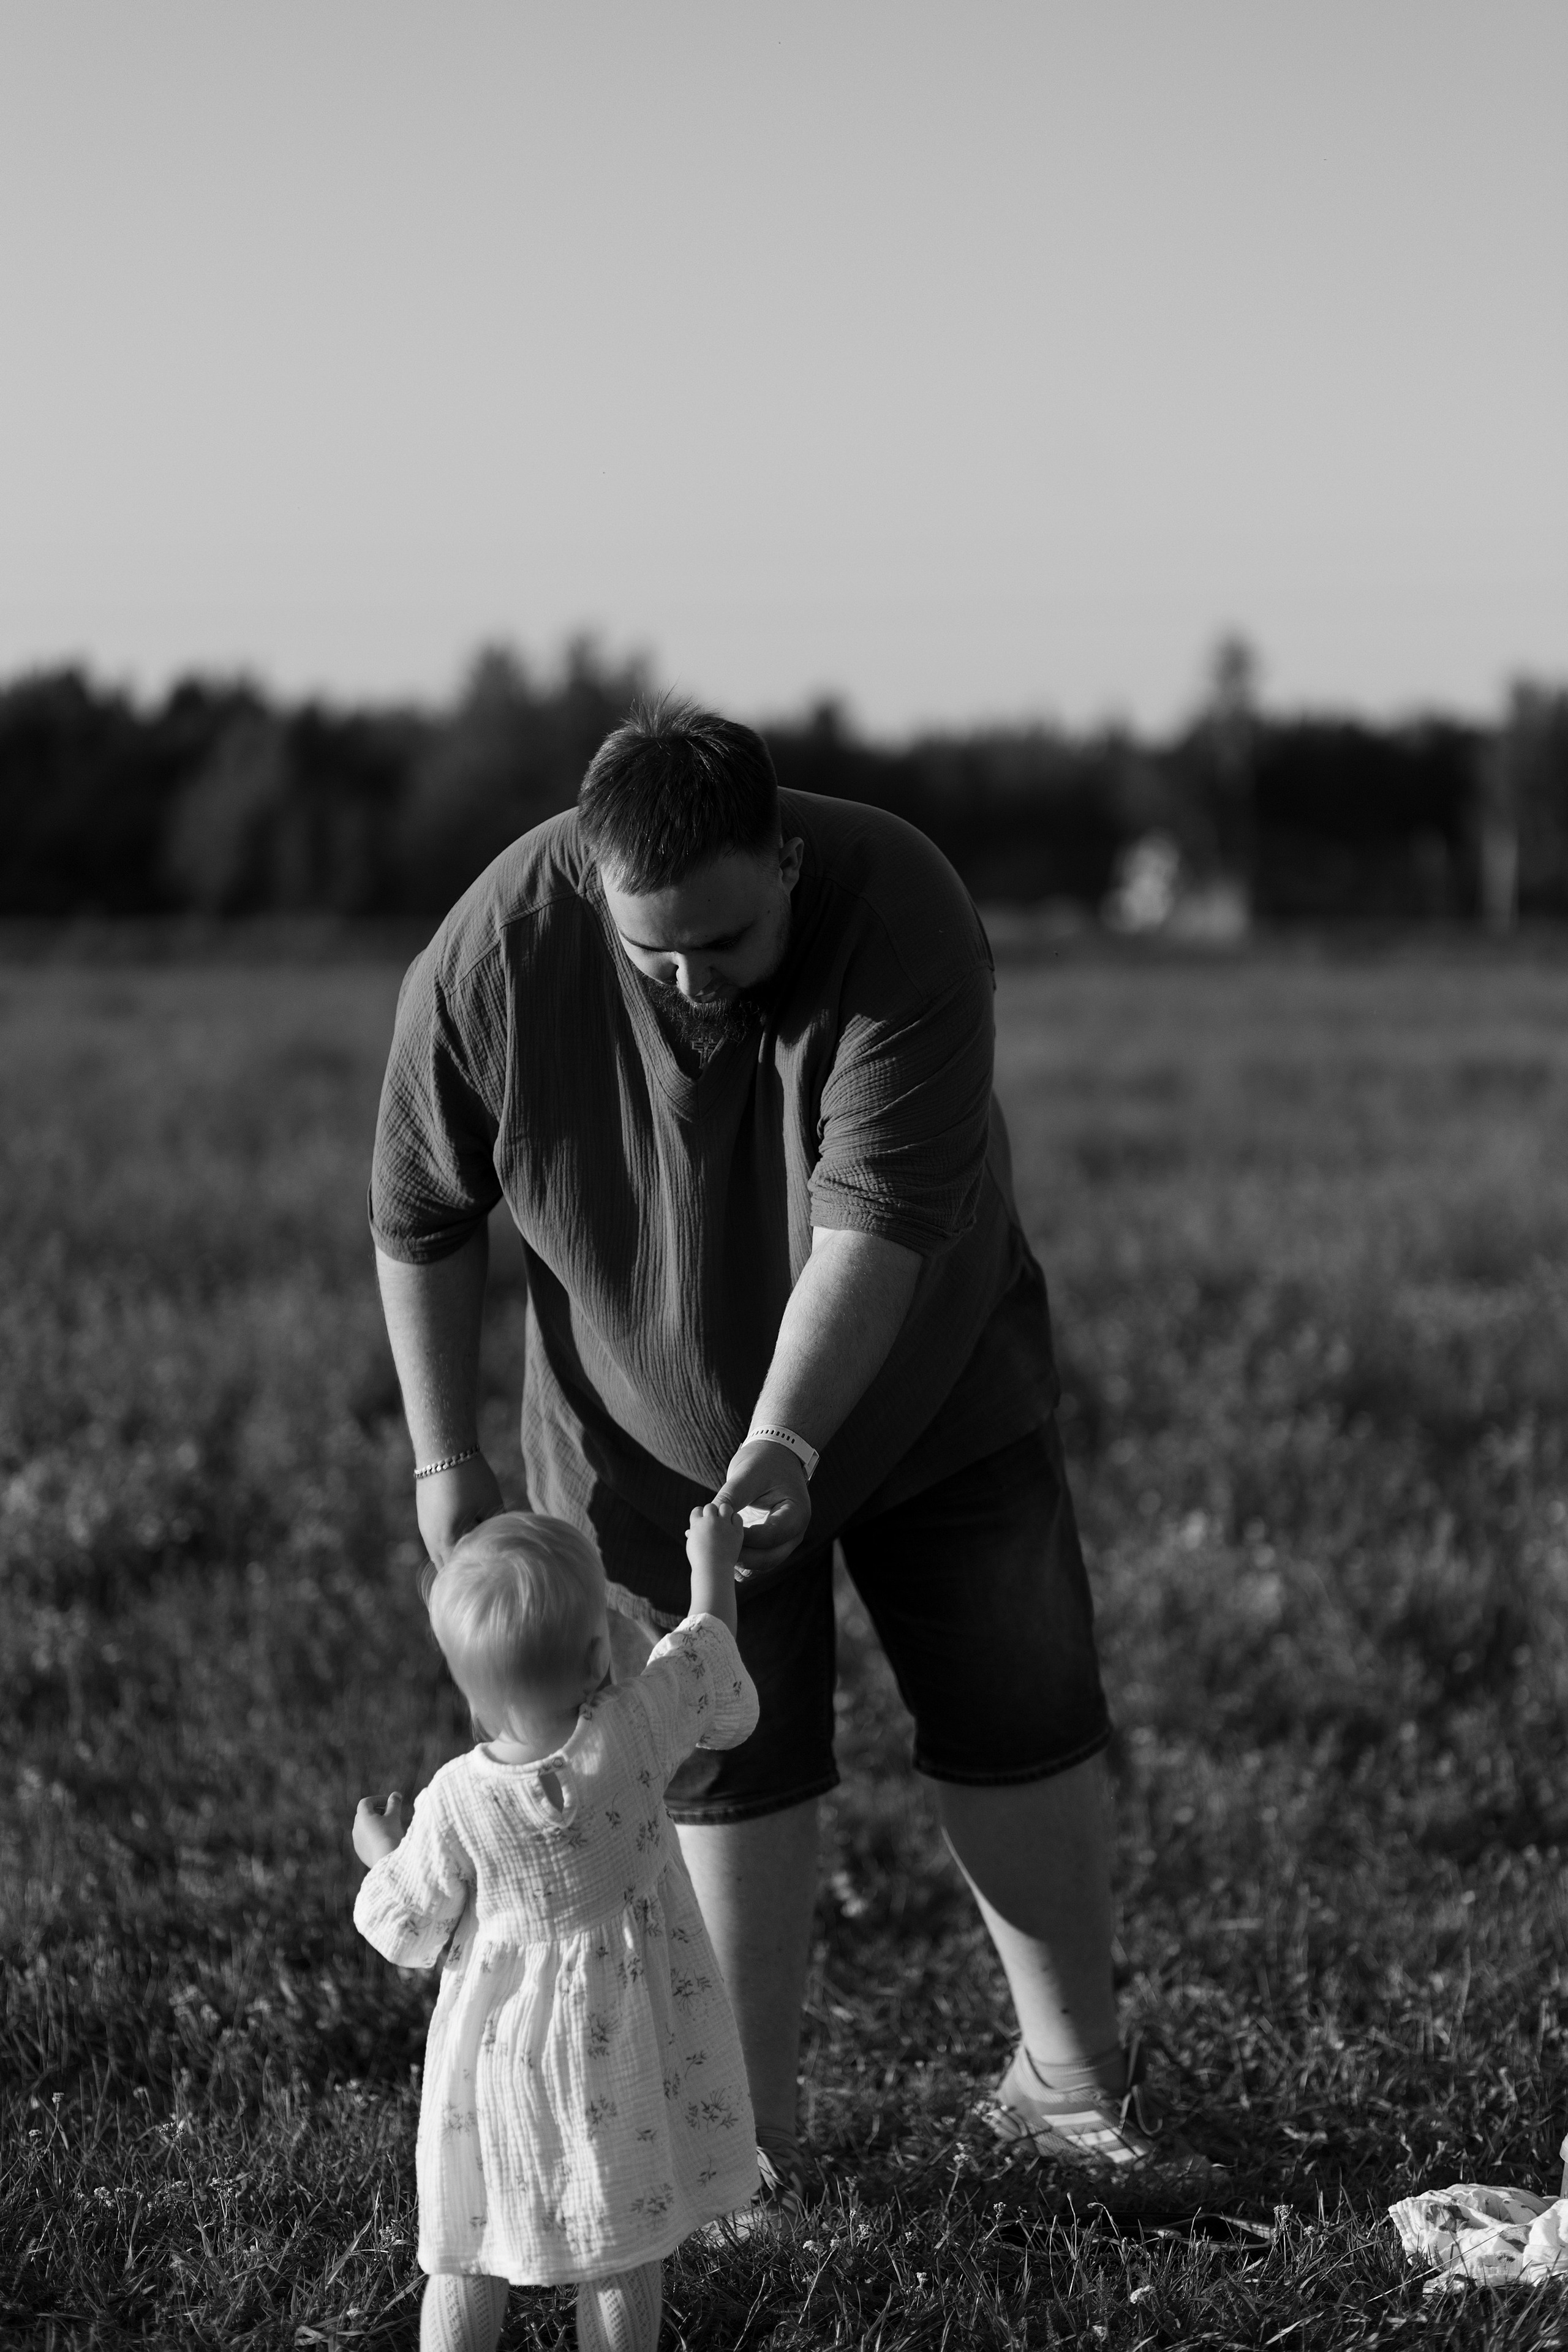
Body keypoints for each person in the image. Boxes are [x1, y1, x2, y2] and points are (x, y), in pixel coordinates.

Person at [370, 698, 1198, 2199]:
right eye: (652, 952)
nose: (689, 977)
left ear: (788, 864)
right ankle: (742, 2144)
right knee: (697, 1757)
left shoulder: (903, 911)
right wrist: (447, 1466)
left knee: (1014, 1695)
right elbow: (422, 1214)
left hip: (934, 1389)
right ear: (593, 890)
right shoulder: (494, 954)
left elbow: (871, 1227)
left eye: (725, 942)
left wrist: (781, 1436)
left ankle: (1068, 2088)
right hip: (628, 1435)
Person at [352, 1499, 760, 2352]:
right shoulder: (638, 1732)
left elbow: (410, 1926)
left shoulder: (457, 1800)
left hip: (499, 2063)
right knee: (626, 2237)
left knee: (470, 2243)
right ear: (594, 1657)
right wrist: (711, 1562)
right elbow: (706, 1658)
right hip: (629, 2051)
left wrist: (381, 1852)